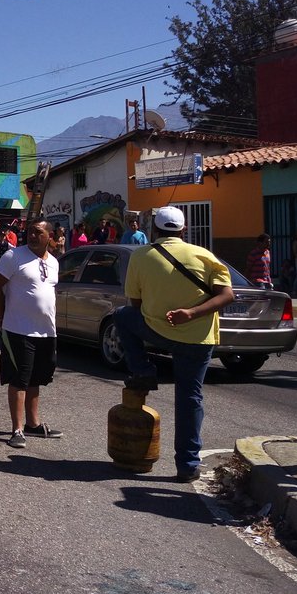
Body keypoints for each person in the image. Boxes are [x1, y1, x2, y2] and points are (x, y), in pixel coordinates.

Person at [113, 206, 235, 483]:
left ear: (153, 230)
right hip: (197, 338)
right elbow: (227, 295)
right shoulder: (204, 255)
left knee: (121, 316)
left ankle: (143, 370)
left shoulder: (141, 256)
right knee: (189, 399)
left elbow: (136, 304)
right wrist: (191, 313)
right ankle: (187, 466)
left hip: (159, 331)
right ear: (184, 229)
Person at [0, 218, 63, 449]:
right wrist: (0, 317)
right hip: (17, 328)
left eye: (38, 233)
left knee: (37, 378)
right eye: (30, 232)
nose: (32, 236)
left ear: (50, 237)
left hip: (46, 331)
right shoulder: (13, 257)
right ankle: (17, 429)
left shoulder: (53, 262)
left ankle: (33, 424)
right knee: (20, 378)